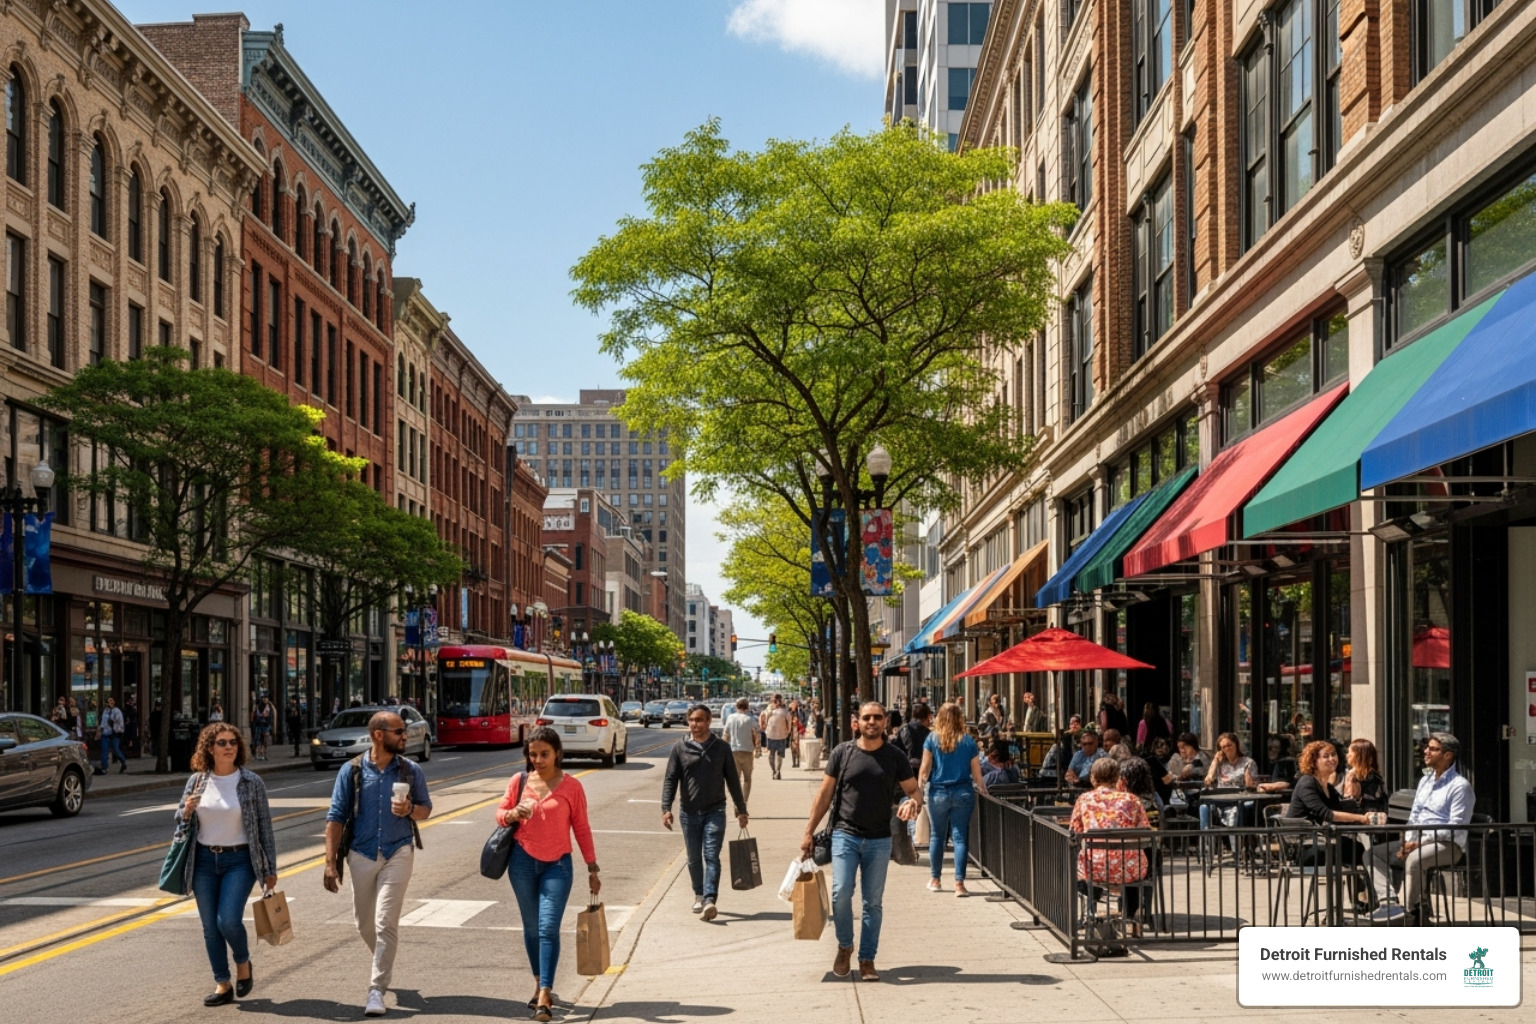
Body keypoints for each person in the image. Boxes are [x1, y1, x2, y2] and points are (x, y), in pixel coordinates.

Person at [800, 701, 921, 982]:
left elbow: (914, 791)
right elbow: (824, 795)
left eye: (877, 718)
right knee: (840, 893)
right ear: (858, 722)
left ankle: (867, 958)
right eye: (867, 717)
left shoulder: (895, 756)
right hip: (845, 834)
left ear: (885, 723)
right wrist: (808, 831)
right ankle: (845, 946)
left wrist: (912, 804)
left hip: (879, 839)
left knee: (873, 902)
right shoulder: (843, 753)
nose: (872, 722)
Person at [323, 711, 433, 1017]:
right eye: (399, 731)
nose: (405, 736)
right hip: (360, 853)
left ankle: (376, 990)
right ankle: (384, 959)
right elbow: (335, 817)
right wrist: (330, 862)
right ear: (379, 735)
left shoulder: (410, 771)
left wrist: (410, 808)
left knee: (385, 922)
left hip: (398, 851)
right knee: (364, 924)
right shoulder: (352, 771)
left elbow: (426, 810)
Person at [497, 727, 600, 1022]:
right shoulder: (519, 781)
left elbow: (581, 827)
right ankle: (538, 980)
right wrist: (513, 813)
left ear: (558, 754)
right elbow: (500, 814)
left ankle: (545, 992)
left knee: (547, 927)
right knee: (531, 928)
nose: (538, 760)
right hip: (521, 862)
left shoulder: (571, 787)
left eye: (544, 754)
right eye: (533, 754)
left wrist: (592, 866)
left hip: (557, 865)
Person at [175, 723, 277, 1006]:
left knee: (228, 920)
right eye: (222, 743)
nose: (229, 746)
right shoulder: (197, 781)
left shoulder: (251, 782)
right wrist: (186, 810)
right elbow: (180, 821)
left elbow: (264, 828)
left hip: (240, 860)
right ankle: (223, 983)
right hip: (204, 861)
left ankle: (243, 963)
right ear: (210, 748)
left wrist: (270, 870)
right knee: (210, 927)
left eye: (233, 742)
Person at [1366, 732, 1474, 924]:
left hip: (1447, 845)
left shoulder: (1460, 786)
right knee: (1372, 854)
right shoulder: (1425, 781)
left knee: (1415, 859)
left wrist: (1418, 843)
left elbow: (1455, 826)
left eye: (1433, 749)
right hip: (1416, 841)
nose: (1426, 752)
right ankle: (1389, 903)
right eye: (1427, 747)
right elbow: (1415, 816)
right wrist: (1408, 841)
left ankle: (1407, 913)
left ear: (1448, 755)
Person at [661, 705, 749, 922]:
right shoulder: (680, 748)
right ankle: (699, 894)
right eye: (691, 720)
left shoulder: (721, 748)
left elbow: (732, 781)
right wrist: (666, 808)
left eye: (700, 720)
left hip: (715, 810)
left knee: (711, 856)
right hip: (689, 812)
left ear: (709, 721)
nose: (695, 724)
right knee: (693, 858)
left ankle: (710, 899)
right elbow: (671, 779)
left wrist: (741, 809)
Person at [1069, 758, 1151, 936]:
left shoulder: (1084, 800)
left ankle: (1090, 912)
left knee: (1078, 863)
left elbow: (1075, 831)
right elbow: (1145, 831)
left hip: (1094, 869)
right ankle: (1130, 917)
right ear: (1117, 777)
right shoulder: (1133, 800)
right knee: (1135, 858)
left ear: (1093, 778)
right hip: (1130, 870)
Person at [920, 703, 988, 896]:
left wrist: (917, 792)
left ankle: (935, 879)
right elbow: (977, 773)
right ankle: (959, 884)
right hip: (963, 792)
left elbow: (924, 770)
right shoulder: (968, 741)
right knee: (959, 837)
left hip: (938, 792)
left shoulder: (932, 739)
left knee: (937, 836)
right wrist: (983, 789)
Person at [1286, 740, 1379, 869]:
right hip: (1303, 847)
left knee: (1363, 850)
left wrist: (1366, 812)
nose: (1332, 759)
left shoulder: (1328, 787)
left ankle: (1363, 888)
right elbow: (1328, 814)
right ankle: (1366, 888)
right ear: (1313, 761)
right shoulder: (1306, 783)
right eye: (1325, 756)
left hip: (1321, 841)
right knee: (1361, 852)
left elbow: (1340, 809)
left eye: (1334, 754)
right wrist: (1362, 819)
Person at [1200, 732, 1257, 831]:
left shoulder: (1248, 762)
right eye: (1223, 747)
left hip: (1240, 799)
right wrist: (1215, 761)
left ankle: (1235, 843)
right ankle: (1207, 843)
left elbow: (1251, 787)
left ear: (1236, 745)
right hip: (1221, 800)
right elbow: (1208, 779)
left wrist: (1247, 776)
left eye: (1229, 745)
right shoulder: (1220, 763)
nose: (1227, 749)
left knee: (1236, 811)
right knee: (1204, 808)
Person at [722, 697, 760, 803]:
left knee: (735, 780)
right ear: (747, 707)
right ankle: (744, 802)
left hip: (733, 752)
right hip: (747, 752)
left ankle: (736, 802)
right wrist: (758, 749)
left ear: (736, 706)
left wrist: (722, 750)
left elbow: (726, 735)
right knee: (747, 779)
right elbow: (757, 734)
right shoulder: (750, 719)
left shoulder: (730, 718)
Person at [1339, 738, 1388, 815]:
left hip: (1358, 821)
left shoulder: (1353, 776)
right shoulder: (1378, 777)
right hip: (1377, 820)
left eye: (1350, 752)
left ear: (1359, 755)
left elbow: (1348, 802)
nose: (1347, 755)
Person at [759, 693, 794, 780]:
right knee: (780, 755)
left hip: (770, 735)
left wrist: (763, 728)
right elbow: (789, 723)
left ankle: (774, 771)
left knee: (771, 754)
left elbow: (761, 718)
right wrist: (788, 732)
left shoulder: (768, 710)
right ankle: (777, 771)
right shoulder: (785, 712)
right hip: (781, 735)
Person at [892, 702, 932, 778]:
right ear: (926, 717)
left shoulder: (903, 729)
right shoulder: (928, 734)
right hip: (922, 770)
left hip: (905, 770)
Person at [97, 696, 127, 775]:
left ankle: (123, 762)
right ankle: (104, 767)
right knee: (104, 751)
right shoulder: (105, 711)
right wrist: (100, 729)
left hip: (114, 733)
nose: (110, 703)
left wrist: (114, 723)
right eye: (108, 701)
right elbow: (103, 721)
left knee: (115, 750)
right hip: (105, 733)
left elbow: (119, 722)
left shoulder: (117, 711)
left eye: (111, 701)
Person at [251, 696, 275, 762]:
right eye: (264, 699)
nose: (265, 700)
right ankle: (256, 755)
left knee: (265, 741)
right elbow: (254, 714)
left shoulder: (269, 706)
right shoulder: (258, 706)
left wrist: (270, 724)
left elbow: (272, 715)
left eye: (266, 699)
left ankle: (264, 754)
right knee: (257, 740)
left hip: (266, 725)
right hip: (258, 725)